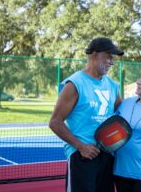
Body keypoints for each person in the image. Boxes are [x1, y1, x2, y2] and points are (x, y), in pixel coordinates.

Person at [49, 37, 124, 192]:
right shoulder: (74, 84)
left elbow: (121, 116)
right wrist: (81, 147)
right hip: (82, 156)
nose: (111, 61)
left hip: (107, 155)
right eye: (108, 56)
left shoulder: (112, 85)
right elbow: (55, 122)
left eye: (112, 58)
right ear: (94, 55)